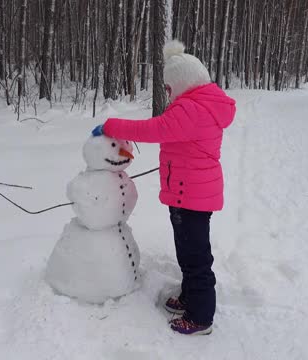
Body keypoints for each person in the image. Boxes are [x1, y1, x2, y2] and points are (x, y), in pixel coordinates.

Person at [91, 40, 237, 335]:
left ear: (182, 82)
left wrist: (111, 126)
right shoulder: (204, 103)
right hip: (192, 191)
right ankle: (190, 296)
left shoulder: (191, 109)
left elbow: (152, 130)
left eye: (169, 87)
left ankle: (200, 317)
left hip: (190, 195)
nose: (168, 93)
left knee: (195, 257)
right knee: (188, 251)